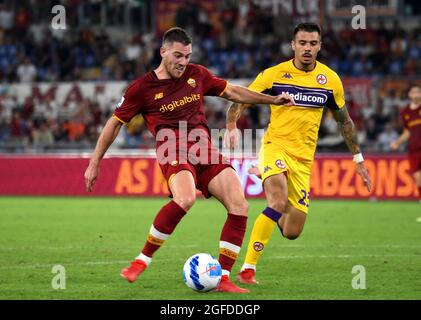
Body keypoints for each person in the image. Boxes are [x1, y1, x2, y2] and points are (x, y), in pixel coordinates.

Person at [84, 27, 294, 293]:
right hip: (173, 150)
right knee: (185, 198)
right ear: (163, 52)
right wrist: (94, 162)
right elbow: (114, 124)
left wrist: (272, 100)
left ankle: (224, 278)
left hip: (205, 150)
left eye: (187, 56)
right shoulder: (141, 88)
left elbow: (234, 93)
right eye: (177, 55)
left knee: (239, 204)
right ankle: (142, 260)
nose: (183, 62)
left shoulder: (198, 74)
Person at [224, 22, 372, 285]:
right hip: (276, 146)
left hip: (303, 160)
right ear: (293, 45)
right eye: (302, 43)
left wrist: (358, 159)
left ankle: (267, 180)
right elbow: (242, 98)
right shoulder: (274, 75)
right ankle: (248, 269)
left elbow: (344, 121)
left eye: (313, 43)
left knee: (292, 231)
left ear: (320, 46)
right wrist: (232, 125)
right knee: (277, 202)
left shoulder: (330, 80)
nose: (307, 48)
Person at [390, 84, 421, 202]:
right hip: (413, 149)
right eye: (413, 92)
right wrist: (397, 142)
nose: (416, 94)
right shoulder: (405, 112)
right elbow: (407, 131)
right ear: (409, 95)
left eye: (418, 92)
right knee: (417, 176)